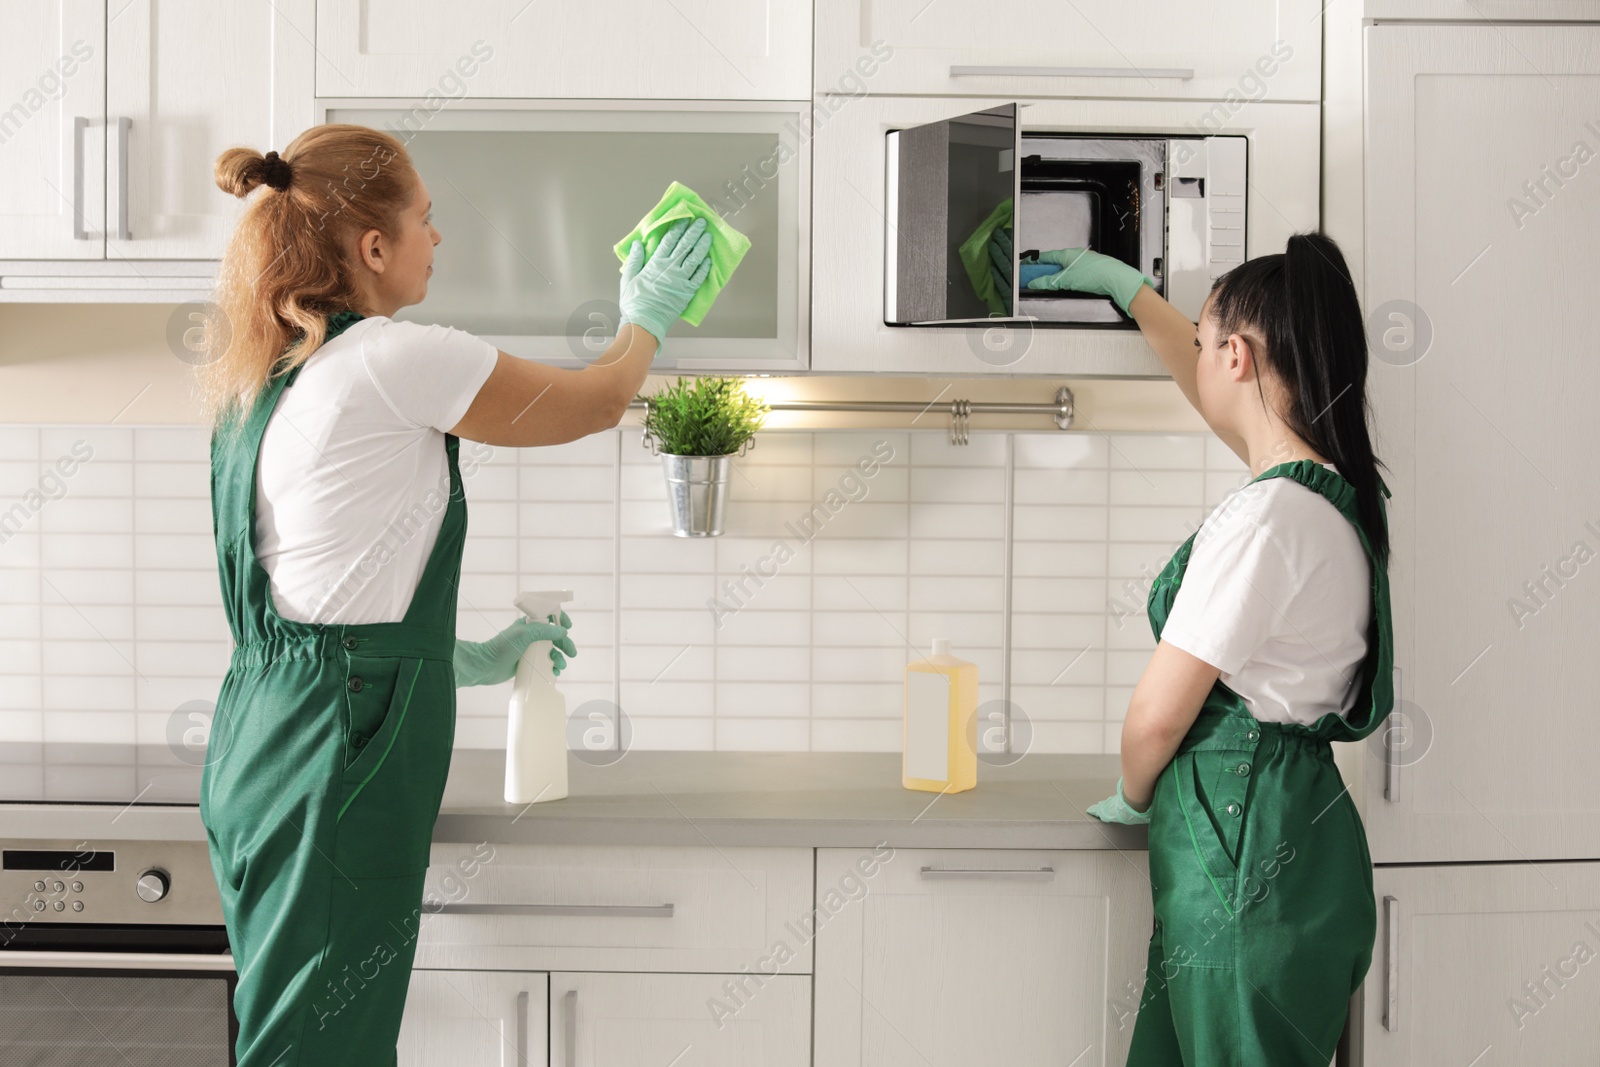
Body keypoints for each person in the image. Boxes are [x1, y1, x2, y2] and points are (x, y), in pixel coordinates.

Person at [195, 123, 711, 1066]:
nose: (441, 239)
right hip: (332, 753)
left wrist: (451, 658)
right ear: (373, 247)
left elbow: (320, 585)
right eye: (427, 221)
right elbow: (597, 402)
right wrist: (649, 315)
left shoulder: (269, 380)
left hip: (264, 732)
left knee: (303, 1034)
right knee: (321, 1050)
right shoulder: (394, 357)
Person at [1027, 237, 1395, 1065]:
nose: (1193, 355)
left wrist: (1130, 794)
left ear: (1236, 355)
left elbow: (1159, 714)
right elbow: (1223, 396)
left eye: (1203, 341)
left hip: (1240, 849)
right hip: (1285, 840)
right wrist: (1133, 293)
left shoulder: (1264, 519)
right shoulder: (1322, 496)